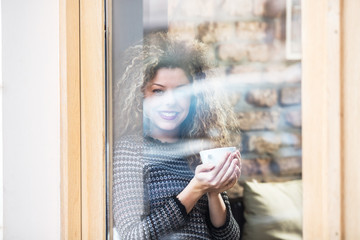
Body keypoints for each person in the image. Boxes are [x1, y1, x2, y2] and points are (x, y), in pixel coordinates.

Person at [112, 32, 242, 239]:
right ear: (141, 94)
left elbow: (230, 237)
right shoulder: (130, 151)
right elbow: (133, 235)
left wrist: (214, 192)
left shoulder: (199, 150)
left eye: (181, 91)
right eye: (158, 91)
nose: (171, 101)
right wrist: (195, 189)